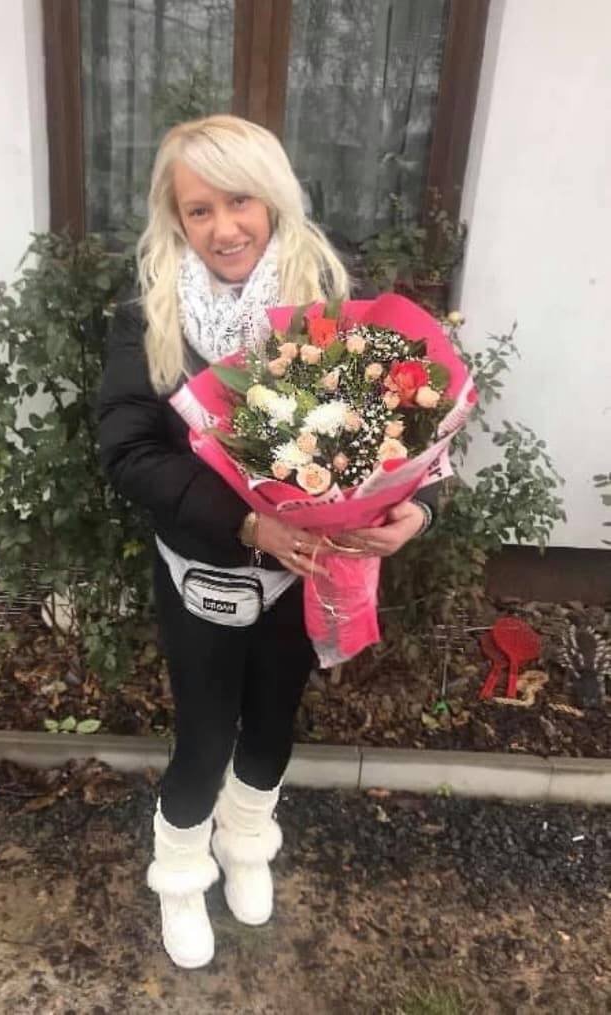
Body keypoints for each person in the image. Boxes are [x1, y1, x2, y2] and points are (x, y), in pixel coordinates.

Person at [96, 114, 438, 969]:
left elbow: (403, 418)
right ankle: (181, 873)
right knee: (205, 735)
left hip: (307, 574)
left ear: (274, 198)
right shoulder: (151, 311)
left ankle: (248, 842)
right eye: (199, 209)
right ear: (176, 218)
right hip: (202, 571)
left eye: (239, 201)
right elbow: (129, 451)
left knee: (273, 726)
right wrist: (247, 522)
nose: (224, 228)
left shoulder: (330, 294)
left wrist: (418, 506)